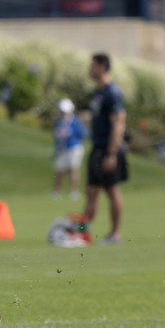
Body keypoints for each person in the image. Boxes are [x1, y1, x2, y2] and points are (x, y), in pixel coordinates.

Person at [82, 52, 128, 244]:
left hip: (108, 149)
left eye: (92, 65)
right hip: (97, 147)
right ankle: (82, 232)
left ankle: (115, 234)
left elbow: (119, 123)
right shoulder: (98, 92)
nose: (89, 69)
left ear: (102, 67)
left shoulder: (112, 92)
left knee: (111, 189)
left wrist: (111, 153)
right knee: (92, 190)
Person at [52, 97, 87, 200]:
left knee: (73, 169)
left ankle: (73, 192)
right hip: (62, 148)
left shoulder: (76, 121)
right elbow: (56, 135)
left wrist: (71, 134)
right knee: (59, 170)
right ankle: (56, 192)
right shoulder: (58, 121)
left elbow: (83, 134)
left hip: (74, 147)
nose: (63, 113)